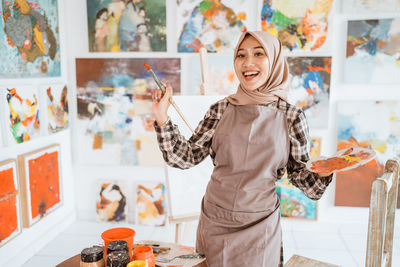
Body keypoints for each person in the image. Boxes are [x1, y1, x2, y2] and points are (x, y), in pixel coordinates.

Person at [151, 31, 333, 267]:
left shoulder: (292, 117)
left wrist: (326, 170)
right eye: (241, 55)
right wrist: (162, 118)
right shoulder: (220, 109)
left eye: (259, 54)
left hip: (259, 226)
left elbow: (305, 182)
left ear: (275, 60)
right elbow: (185, 157)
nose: (248, 63)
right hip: (215, 220)